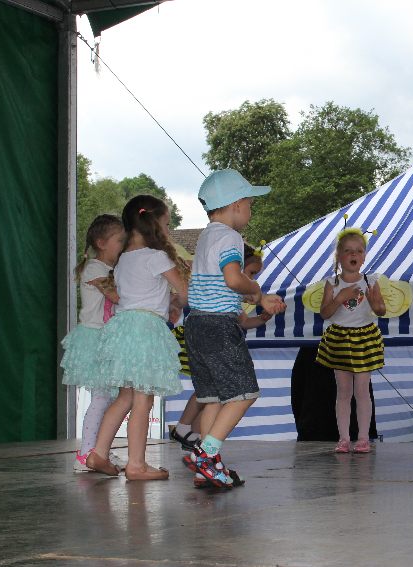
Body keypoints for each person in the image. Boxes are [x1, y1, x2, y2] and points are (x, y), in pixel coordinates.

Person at [184, 169, 286, 489]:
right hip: (218, 326)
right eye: (250, 205)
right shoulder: (230, 238)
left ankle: (206, 468)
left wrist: (251, 298)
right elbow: (232, 278)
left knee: (214, 398)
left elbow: (215, 283)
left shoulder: (205, 237)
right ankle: (206, 454)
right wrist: (256, 291)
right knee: (244, 393)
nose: (250, 212)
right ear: (237, 205)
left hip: (196, 324)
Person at [86, 195, 189, 480]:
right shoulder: (157, 257)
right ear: (153, 224)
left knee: (125, 397)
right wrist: (176, 301)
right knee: (143, 399)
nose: (167, 231)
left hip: (123, 328)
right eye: (166, 224)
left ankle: (99, 453)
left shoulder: (122, 260)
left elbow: (136, 295)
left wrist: (165, 300)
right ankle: (137, 465)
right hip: (145, 330)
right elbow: (184, 292)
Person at [169, 244, 273, 452]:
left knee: (211, 395)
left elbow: (244, 321)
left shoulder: (228, 294)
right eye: (251, 273)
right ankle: (187, 432)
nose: (252, 279)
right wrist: (255, 293)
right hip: (212, 336)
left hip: (202, 334)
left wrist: (262, 318)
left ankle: (200, 442)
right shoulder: (222, 287)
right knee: (217, 392)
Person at [61, 214, 126, 472]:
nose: (123, 245)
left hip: (105, 337)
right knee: (101, 397)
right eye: (119, 240)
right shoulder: (96, 269)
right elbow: (118, 297)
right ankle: (87, 452)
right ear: (101, 243)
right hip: (96, 338)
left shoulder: (106, 269)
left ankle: (99, 451)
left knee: (107, 398)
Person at [316, 226, 387, 454]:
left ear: (364, 256)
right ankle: (344, 438)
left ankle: (363, 438)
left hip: (364, 338)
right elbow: (325, 313)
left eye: (358, 250)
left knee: (362, 390)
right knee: (343, 391)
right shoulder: (332, 283)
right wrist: (340, 298)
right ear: (339, 256)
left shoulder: (371, 281)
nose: (353, 254)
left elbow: (381, 309)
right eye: (348, 250)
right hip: (339, 339)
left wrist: (375, 304)